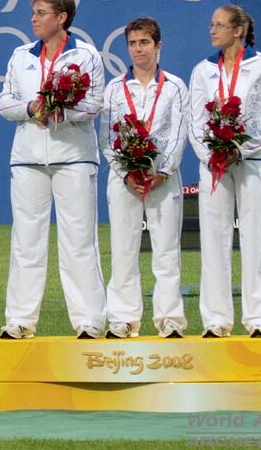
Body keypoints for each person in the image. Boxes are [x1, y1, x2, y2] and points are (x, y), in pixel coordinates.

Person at [0, 0, 106, 339]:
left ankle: (89, 320)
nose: (33, 18)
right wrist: (32, 108)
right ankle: (19, 320)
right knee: (26, 242)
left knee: (78, 241)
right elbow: (4, 104)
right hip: (28, 159)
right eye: (33, 12)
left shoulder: (86, 55)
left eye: (41, 12)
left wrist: (58, 112)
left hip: (73, 157)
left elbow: (94, 104)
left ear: (62, 17)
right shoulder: (20, 55)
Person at [189, 4, 261, 338]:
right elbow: (195, 122)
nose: (212, 30)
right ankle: (216, 320)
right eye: (211, 24)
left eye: (220, 25)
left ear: (238, 30)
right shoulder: (203, 70)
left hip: (253, 162)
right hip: (214, 166)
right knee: (213, 239)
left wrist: (239, 149)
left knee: (256, 238)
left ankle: (259, 320)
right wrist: (212, 156)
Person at [98, 18, 189, 339]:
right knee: (123, 249)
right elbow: (107, 138)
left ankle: (170, 319)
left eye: (144, 43)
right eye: (133, 44)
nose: (138, 49)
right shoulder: (113, 88)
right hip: (125, 179)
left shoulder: (176, 86)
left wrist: (164, 171)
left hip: (162, 178)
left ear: (158, 46)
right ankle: (123, 318)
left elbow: (180, 133)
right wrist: (125, 173)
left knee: (166, 251)